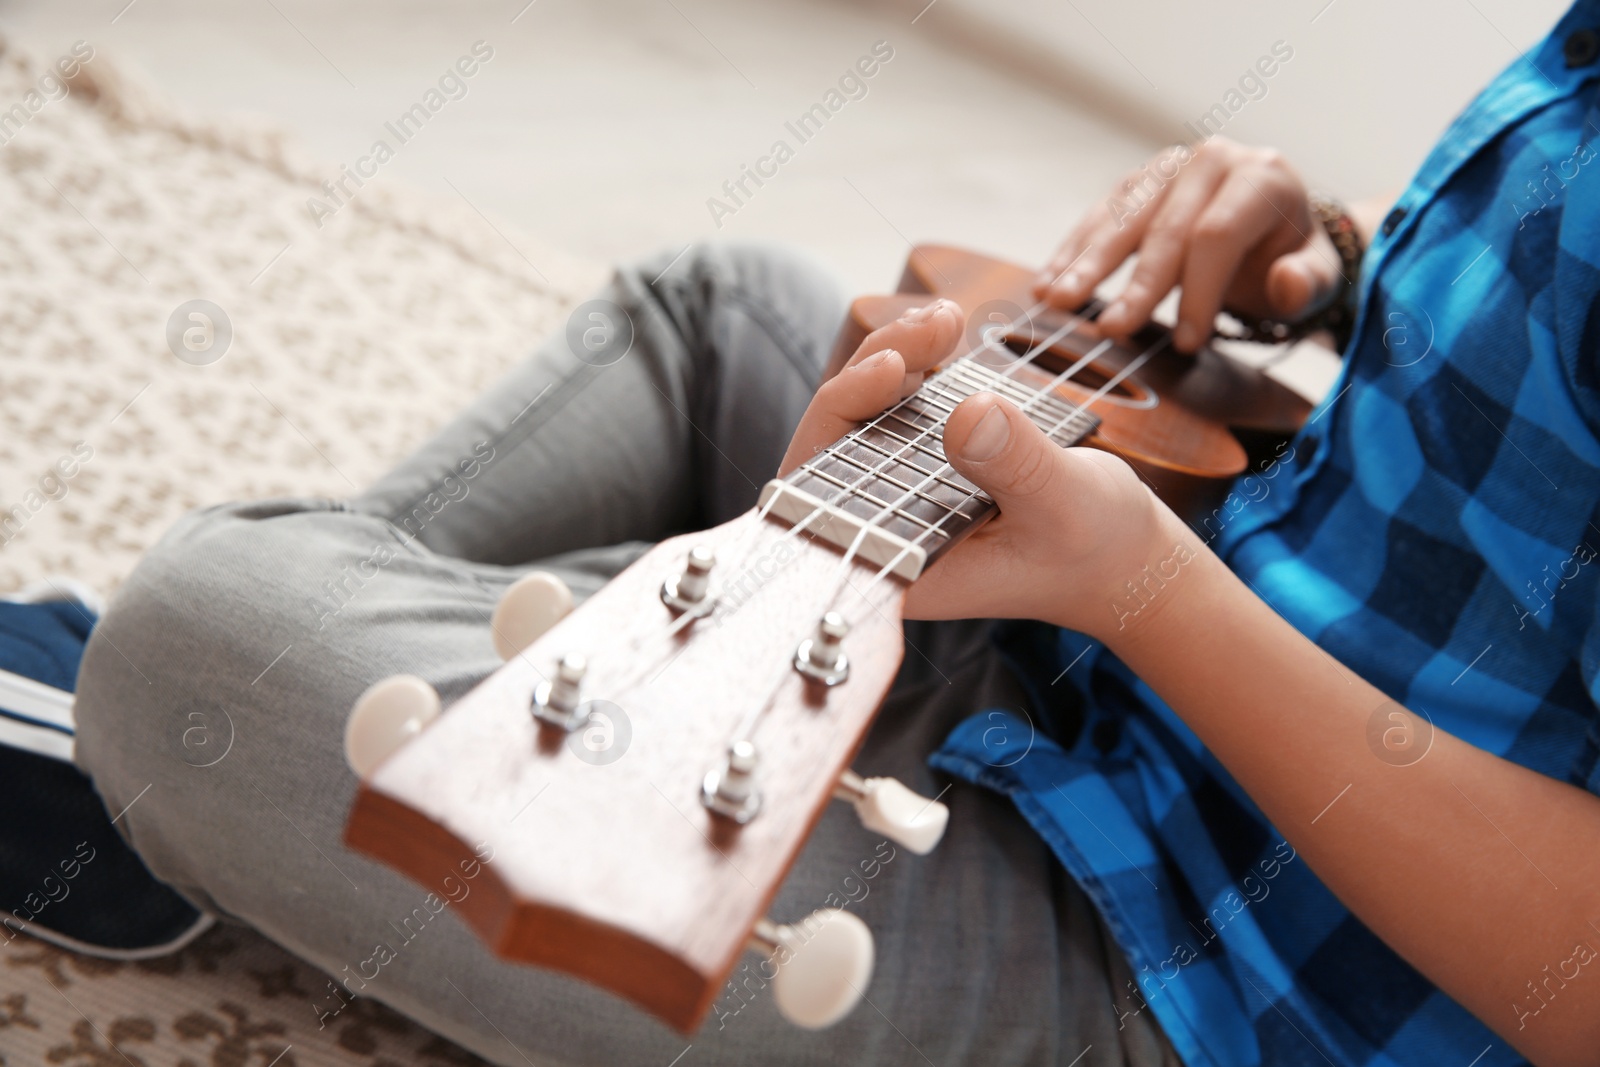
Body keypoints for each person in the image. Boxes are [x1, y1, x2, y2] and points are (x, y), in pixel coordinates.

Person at [72, 2, 1600, 1065]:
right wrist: (1317, 266)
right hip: (1149, 645)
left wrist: (1144, 590)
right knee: (729, 304)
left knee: (195, 646)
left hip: (1208, 972)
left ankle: (148, 749)